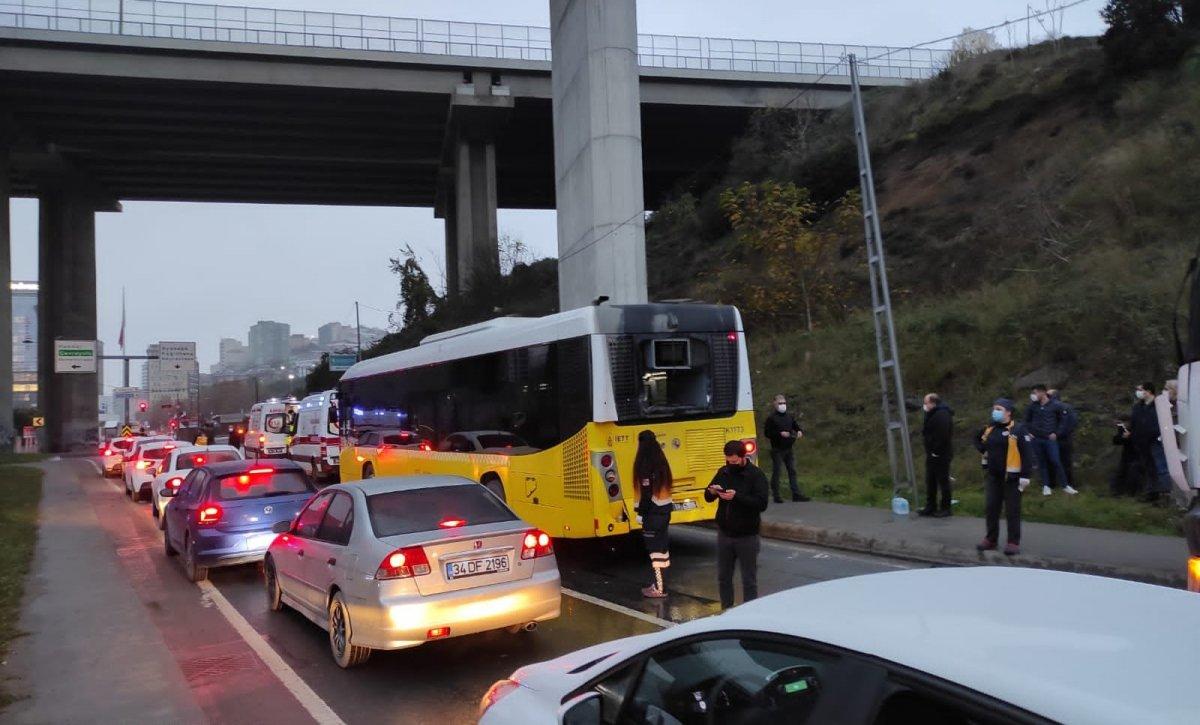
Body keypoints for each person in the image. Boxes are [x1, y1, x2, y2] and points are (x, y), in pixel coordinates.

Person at [705, 440, 769, 609]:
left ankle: (750, 611)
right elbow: (708, 496)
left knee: (749, 579)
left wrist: (737, 497)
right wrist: (711, 491)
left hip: (747, 535)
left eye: (734, 461)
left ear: (743, 457)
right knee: (723, 577)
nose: (731, 464)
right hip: (725, 533)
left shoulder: (756, 475)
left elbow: (761, 503)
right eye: (728, 460)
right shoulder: (724, 471)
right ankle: (727, 608)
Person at [975, 399, 1034, 556]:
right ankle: (991, 539)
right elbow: (979, 440)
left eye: (999, 409)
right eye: (994, 408)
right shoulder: (991, 428)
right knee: (991, 508)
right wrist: (982, 449)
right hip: (994, 476)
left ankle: (1013, 542)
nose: (995, 411)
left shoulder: (1018, 430)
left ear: (1008, 412)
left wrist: (1025, 475)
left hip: (1012, 478)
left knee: (1012, 511)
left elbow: (1027, 454)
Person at [633, 430, 673, 599]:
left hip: (653, 513)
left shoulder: (645, 464)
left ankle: (659, 589)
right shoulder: (661, 462)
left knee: (655, 552)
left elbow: (647, 493)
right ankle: (661, 584)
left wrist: (641, 513)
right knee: (662, 550)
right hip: (664, 510)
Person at [1024, 384, 1078, 496]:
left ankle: (1065, 485)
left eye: (1035, 393)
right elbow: (1026, 420)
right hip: (1036, 438)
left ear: (1042, 392)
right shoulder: (1033, 406)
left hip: (1050, 439)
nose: (1033, 395)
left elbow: (1064, 420)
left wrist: (1057, 433)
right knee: (1042, 462)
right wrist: (1028, 432)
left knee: (1056, 461)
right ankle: (1046, 486)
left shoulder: (1056, 405)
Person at [1128, 381, 1171, 503]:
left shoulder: (1159, 405)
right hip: (1142, 442)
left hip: (1155, 441)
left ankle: (1165, 494)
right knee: (1148, 468)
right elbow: (1134, 423)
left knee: (1161, 467)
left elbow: (1161, 424)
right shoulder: (1138, 407)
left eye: (1141, 389)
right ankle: (1151, 493)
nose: (1139, 392)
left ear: (1148, 391)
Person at [762, 394, 809, 503]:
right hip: (777, 449)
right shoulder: (771, 418)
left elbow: (796, 426)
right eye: (780, 403)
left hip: (789, 448)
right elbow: (767, 433)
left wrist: (799, 431)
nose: (782, 405)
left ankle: (796, 494)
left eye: (784, 403)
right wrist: (779, 433)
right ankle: (776, 495)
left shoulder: (789, 416)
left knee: (792, 471)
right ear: (775, 404)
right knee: (777, 472)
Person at [918, 393, 954, 517]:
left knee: (943, 481)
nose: (925, 405)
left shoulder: (942, 414)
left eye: (926, 403)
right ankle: (931, 506)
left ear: (933, 403)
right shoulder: (932, 413)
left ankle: (946, 508)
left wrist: (936, 451)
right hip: (932, 453)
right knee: (930, 480)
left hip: (941, 453)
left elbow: (943, 435)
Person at [1047, 389, 1078, 490]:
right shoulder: (1068, 407)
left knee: (1051, 463)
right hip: (1065, 439)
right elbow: (1074, 422)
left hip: (1053, 439)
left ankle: (1051, 485)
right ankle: (1068, 485)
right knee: (1066, 463)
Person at [1110, 415, 1141, 497]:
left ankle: (1132, 492)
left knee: (1134, 472)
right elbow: (1116, 441)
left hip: (1137, 453)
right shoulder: (1122, 428)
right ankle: (1117, 492)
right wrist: (1123, 437)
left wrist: (1130, 436)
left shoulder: (1137, 427)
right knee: (1121, 472)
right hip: (1126, 453)